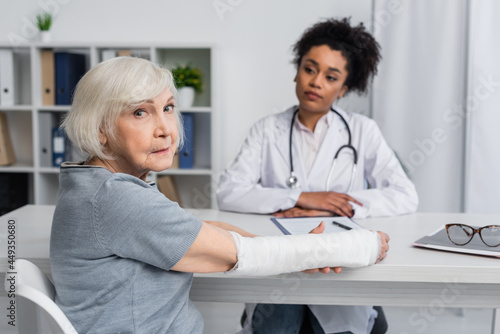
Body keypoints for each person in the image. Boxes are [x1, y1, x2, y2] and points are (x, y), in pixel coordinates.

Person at [49, 56, 390, 334]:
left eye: (168, 108)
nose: (165, 128)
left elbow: (194, 228)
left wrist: (290, 250)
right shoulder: (117, 198)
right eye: (140, 112)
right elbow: (239, 254)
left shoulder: (90, 184)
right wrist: (352, 246)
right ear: (101, 130)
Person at [216, 18, 418, 334]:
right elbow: (228, 191)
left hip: (337, 260)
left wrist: (332, 208)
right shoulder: (267, 130)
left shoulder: (362, 131)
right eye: (310, 69)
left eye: (331, 76)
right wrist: (300, 197)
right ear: (297, 71)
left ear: (344, 88)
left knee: (339, 324)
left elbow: (405, 194)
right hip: (282, 263)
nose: (316, 82)